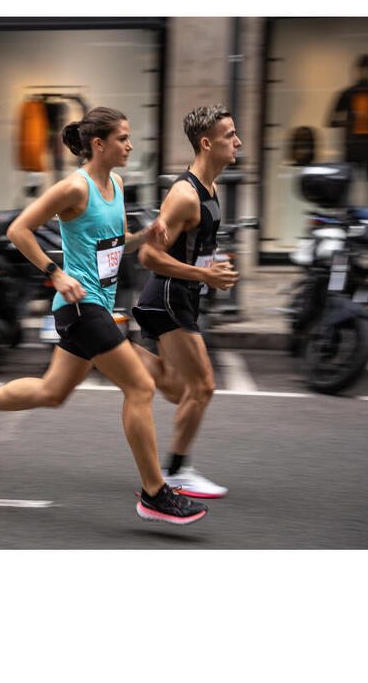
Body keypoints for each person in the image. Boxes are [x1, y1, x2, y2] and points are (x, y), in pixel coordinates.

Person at [0, 106, 208, 526]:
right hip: (80, 308)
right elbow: (18, 230)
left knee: (52, 392)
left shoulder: (114, 184)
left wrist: (143, 238)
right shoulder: (74, 188)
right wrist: (56, 274)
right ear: (99, 144)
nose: (130, 146)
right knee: (139, 387)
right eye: (123, 139)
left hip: (96, 304)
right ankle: (156, 493)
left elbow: (110, 248)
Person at [130, 104, 241, 499]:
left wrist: (212, 263)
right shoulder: (184, 194)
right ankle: (176, 472)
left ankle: (110, 350)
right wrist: (206, 275)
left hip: (182, 297)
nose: (238, 142)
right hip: (169, 297)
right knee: (204, 387)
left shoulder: (210, 188)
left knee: (180, 391)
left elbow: (190, 249)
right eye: (230, 135)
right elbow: (149, 257)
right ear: (207, 143)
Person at [327, 54, 368, 206]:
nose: (365, 73)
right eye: (362, 69)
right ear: (357, 70)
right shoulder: (347, 94)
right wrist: (352, 121)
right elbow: (332, 121)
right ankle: (347, 219)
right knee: (347, 189)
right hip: (352, 146)